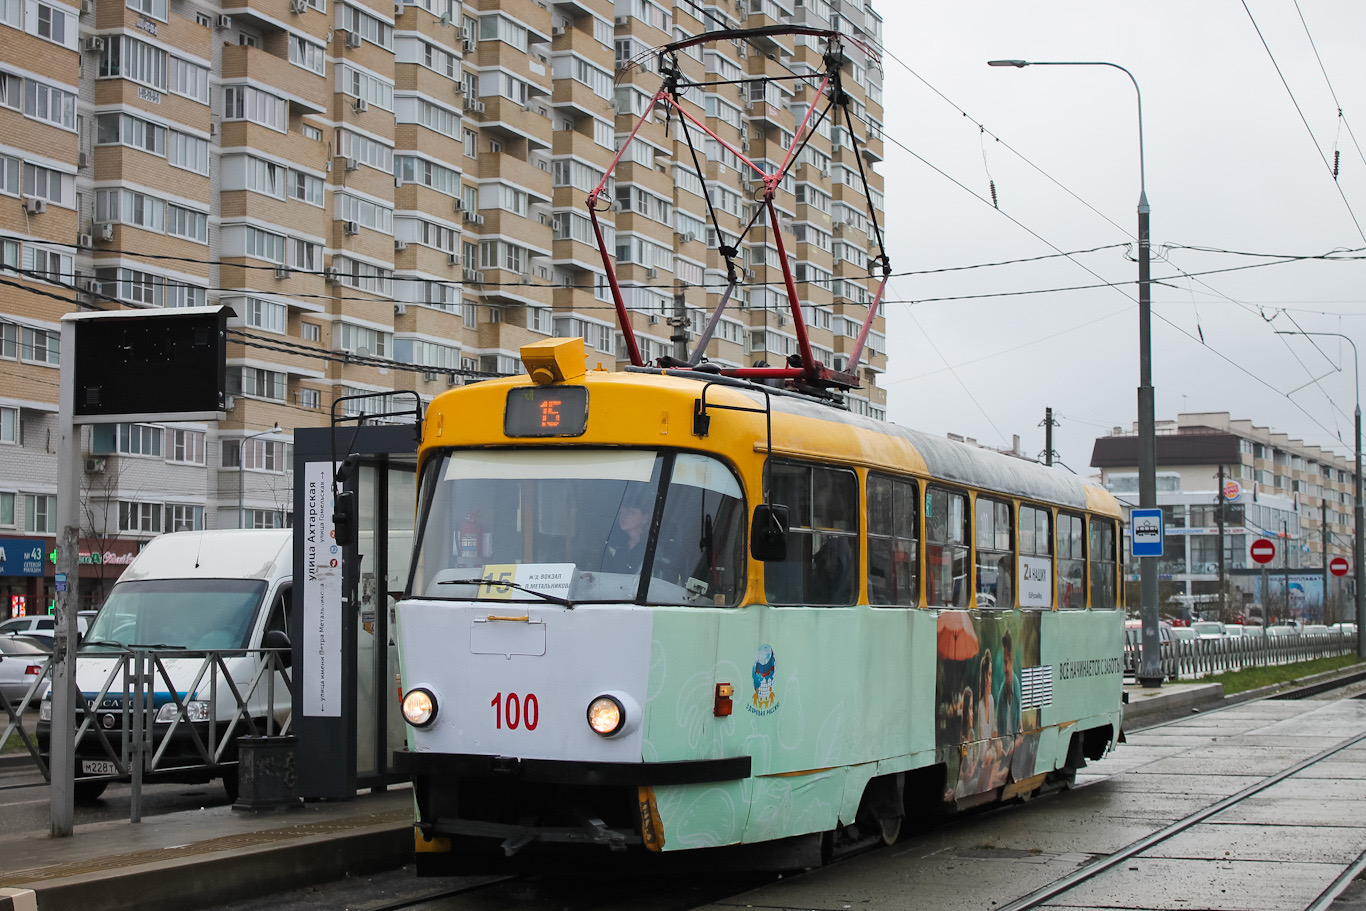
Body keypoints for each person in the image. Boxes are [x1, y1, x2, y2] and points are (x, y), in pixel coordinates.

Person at [602, 495, 651, 573]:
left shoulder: (651, 548)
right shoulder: (614, 543)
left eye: (631, 512)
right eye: (622, 512)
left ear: (645, 518)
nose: (623, 516)